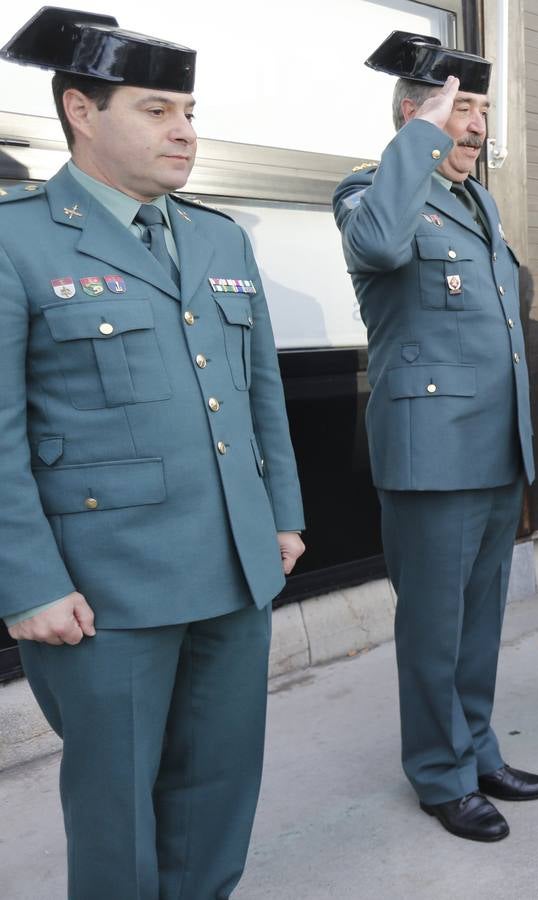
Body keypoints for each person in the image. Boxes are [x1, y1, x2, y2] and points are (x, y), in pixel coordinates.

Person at [0, 8, 306, 897]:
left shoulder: (218, 236)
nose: (184, 131)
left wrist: (280, 517)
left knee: (218, 787)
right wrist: (26, 583)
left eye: (189, 111)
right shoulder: (17, 239)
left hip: (234, 568)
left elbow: (258, 399)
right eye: (156, 109)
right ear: (80, 112)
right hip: (106, 587)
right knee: (116, 803)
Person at [332, 32, 538, 842]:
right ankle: (438, 773)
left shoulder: (476, 201)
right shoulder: (369, 192)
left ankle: (477, 748)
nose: (477, 125)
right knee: (433, 626)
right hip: (431, 456)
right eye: (462, 109)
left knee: (482, 620)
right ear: (415, 114)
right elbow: (380, 246)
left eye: (484, 110)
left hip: (493, 448)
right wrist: (417, 139)